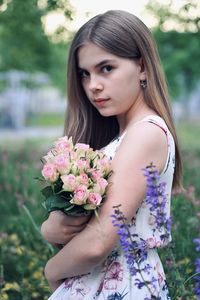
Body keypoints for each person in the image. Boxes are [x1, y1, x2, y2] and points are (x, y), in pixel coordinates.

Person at [41, 10, 182, 299]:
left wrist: (52, 271)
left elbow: (99, 240)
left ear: (142, 67)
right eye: (85, 73)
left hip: (127, 284)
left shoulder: (146, 132)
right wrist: (51, 228)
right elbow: (83, 228)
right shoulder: (123, 136)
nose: (93, 85)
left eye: (106, 68)